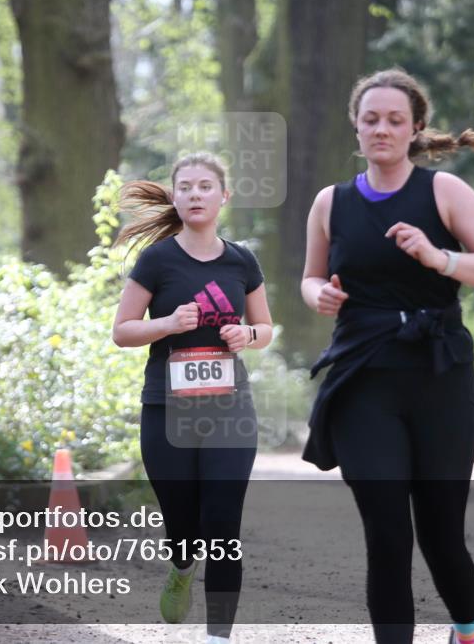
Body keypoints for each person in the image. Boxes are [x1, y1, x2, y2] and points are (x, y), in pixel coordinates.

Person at [300, 68, 474, 644]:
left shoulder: (443, 192)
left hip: (438, 377)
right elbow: (309, 278)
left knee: (442, 533)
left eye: (395, 120)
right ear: (356, 124)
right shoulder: (331, 202)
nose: (381, 128)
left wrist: (441, 259)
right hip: (363, 379)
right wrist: (318, 294)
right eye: (371, 118)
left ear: (415, 128)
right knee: (388, 535)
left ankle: (467, 629)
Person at [112, 152, 274, 644]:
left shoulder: (241, 259)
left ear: (224, 197)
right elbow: (122, 331)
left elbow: (266, 327)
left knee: (223, 527)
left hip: (230, 410)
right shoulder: (158, 260)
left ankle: (217, 636)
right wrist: (167, 324)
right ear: (176, 197)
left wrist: (248, 335)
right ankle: (182, 566)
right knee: (183, 527)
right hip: (167, 410)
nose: (195, 194)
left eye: (206, 186)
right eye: (186, 187)